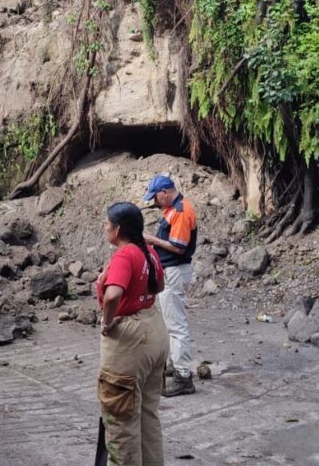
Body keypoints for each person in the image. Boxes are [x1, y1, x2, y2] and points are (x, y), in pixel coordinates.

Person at [97, 201, 168, 466]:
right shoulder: (149, 251)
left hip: (130, 339)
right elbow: (159, 286)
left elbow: (112, 295)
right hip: (155, 329)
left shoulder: (124, 256)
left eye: (107, 224)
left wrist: (108, 321)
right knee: (148, 414)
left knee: (121, 419)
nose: (104, 227)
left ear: (118, 229)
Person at [142, 174, 198, 396]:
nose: (155, 202)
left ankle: (183, 377)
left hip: (175, 270)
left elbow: (179, 247)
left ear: (164, 192)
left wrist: (152, 240)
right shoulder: (174, 209)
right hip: (171, 270)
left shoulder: (181, 211)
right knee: (171, 323)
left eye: (155, 198)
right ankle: (176, 365)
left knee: (176, 325)